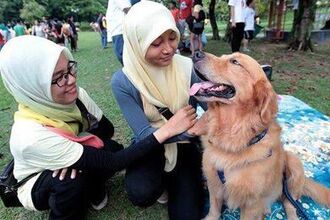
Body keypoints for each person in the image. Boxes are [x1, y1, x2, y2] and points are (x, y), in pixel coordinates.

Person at [0, 35, 197, 219]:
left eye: (69, 68)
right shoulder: (29, 137)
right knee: (69, 181)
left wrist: (73, 150)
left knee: (111, 148)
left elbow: (106, 131)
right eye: (58, 77)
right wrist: (168, 129)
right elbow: (112, 162)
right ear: (33, 87)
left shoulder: (76, 96)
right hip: (38, 177)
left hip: (70, 151)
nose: (71, 80)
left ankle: (92, 185)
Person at [111, 1, 207, 219]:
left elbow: (209, 106)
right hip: (150, 145)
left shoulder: (186, 67)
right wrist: (187, 130)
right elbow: (143, 134)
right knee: (141, 193)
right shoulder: (124, 81)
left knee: (188, 214)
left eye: (172, 38)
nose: (168, 49)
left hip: (185, 146)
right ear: (137, 44)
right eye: (156, 43)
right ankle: (167, 179)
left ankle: (178, 179)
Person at [106, 0, 131, 65]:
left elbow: (127, 8)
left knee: (123, 55)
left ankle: (133, 72)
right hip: (117, 30)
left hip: (120, 30)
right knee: (122, 55)